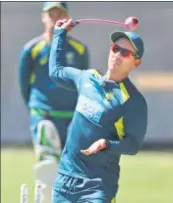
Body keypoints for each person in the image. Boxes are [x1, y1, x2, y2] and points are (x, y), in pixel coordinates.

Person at [49, 19, 148, 203]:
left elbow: (133, 145)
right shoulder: (87, 78)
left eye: (125, 52)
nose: (117, 54)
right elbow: (56, 71)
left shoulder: (133, 101)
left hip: (97, 186)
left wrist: (107, 144)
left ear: (137, 61)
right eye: (115, 48)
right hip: (65, 178)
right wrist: (59, 34)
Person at [18, 3, 90, 202]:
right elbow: (24, 84)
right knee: (47, 164)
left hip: (70, 115)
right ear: (43, 17)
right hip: (43, 113)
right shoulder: (32, 49)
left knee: (71, 169)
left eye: (59, 13)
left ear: (67, 17)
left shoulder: (79, 49)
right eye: (51, 13)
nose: (55, 17)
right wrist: (36, 109)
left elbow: (84, 83)